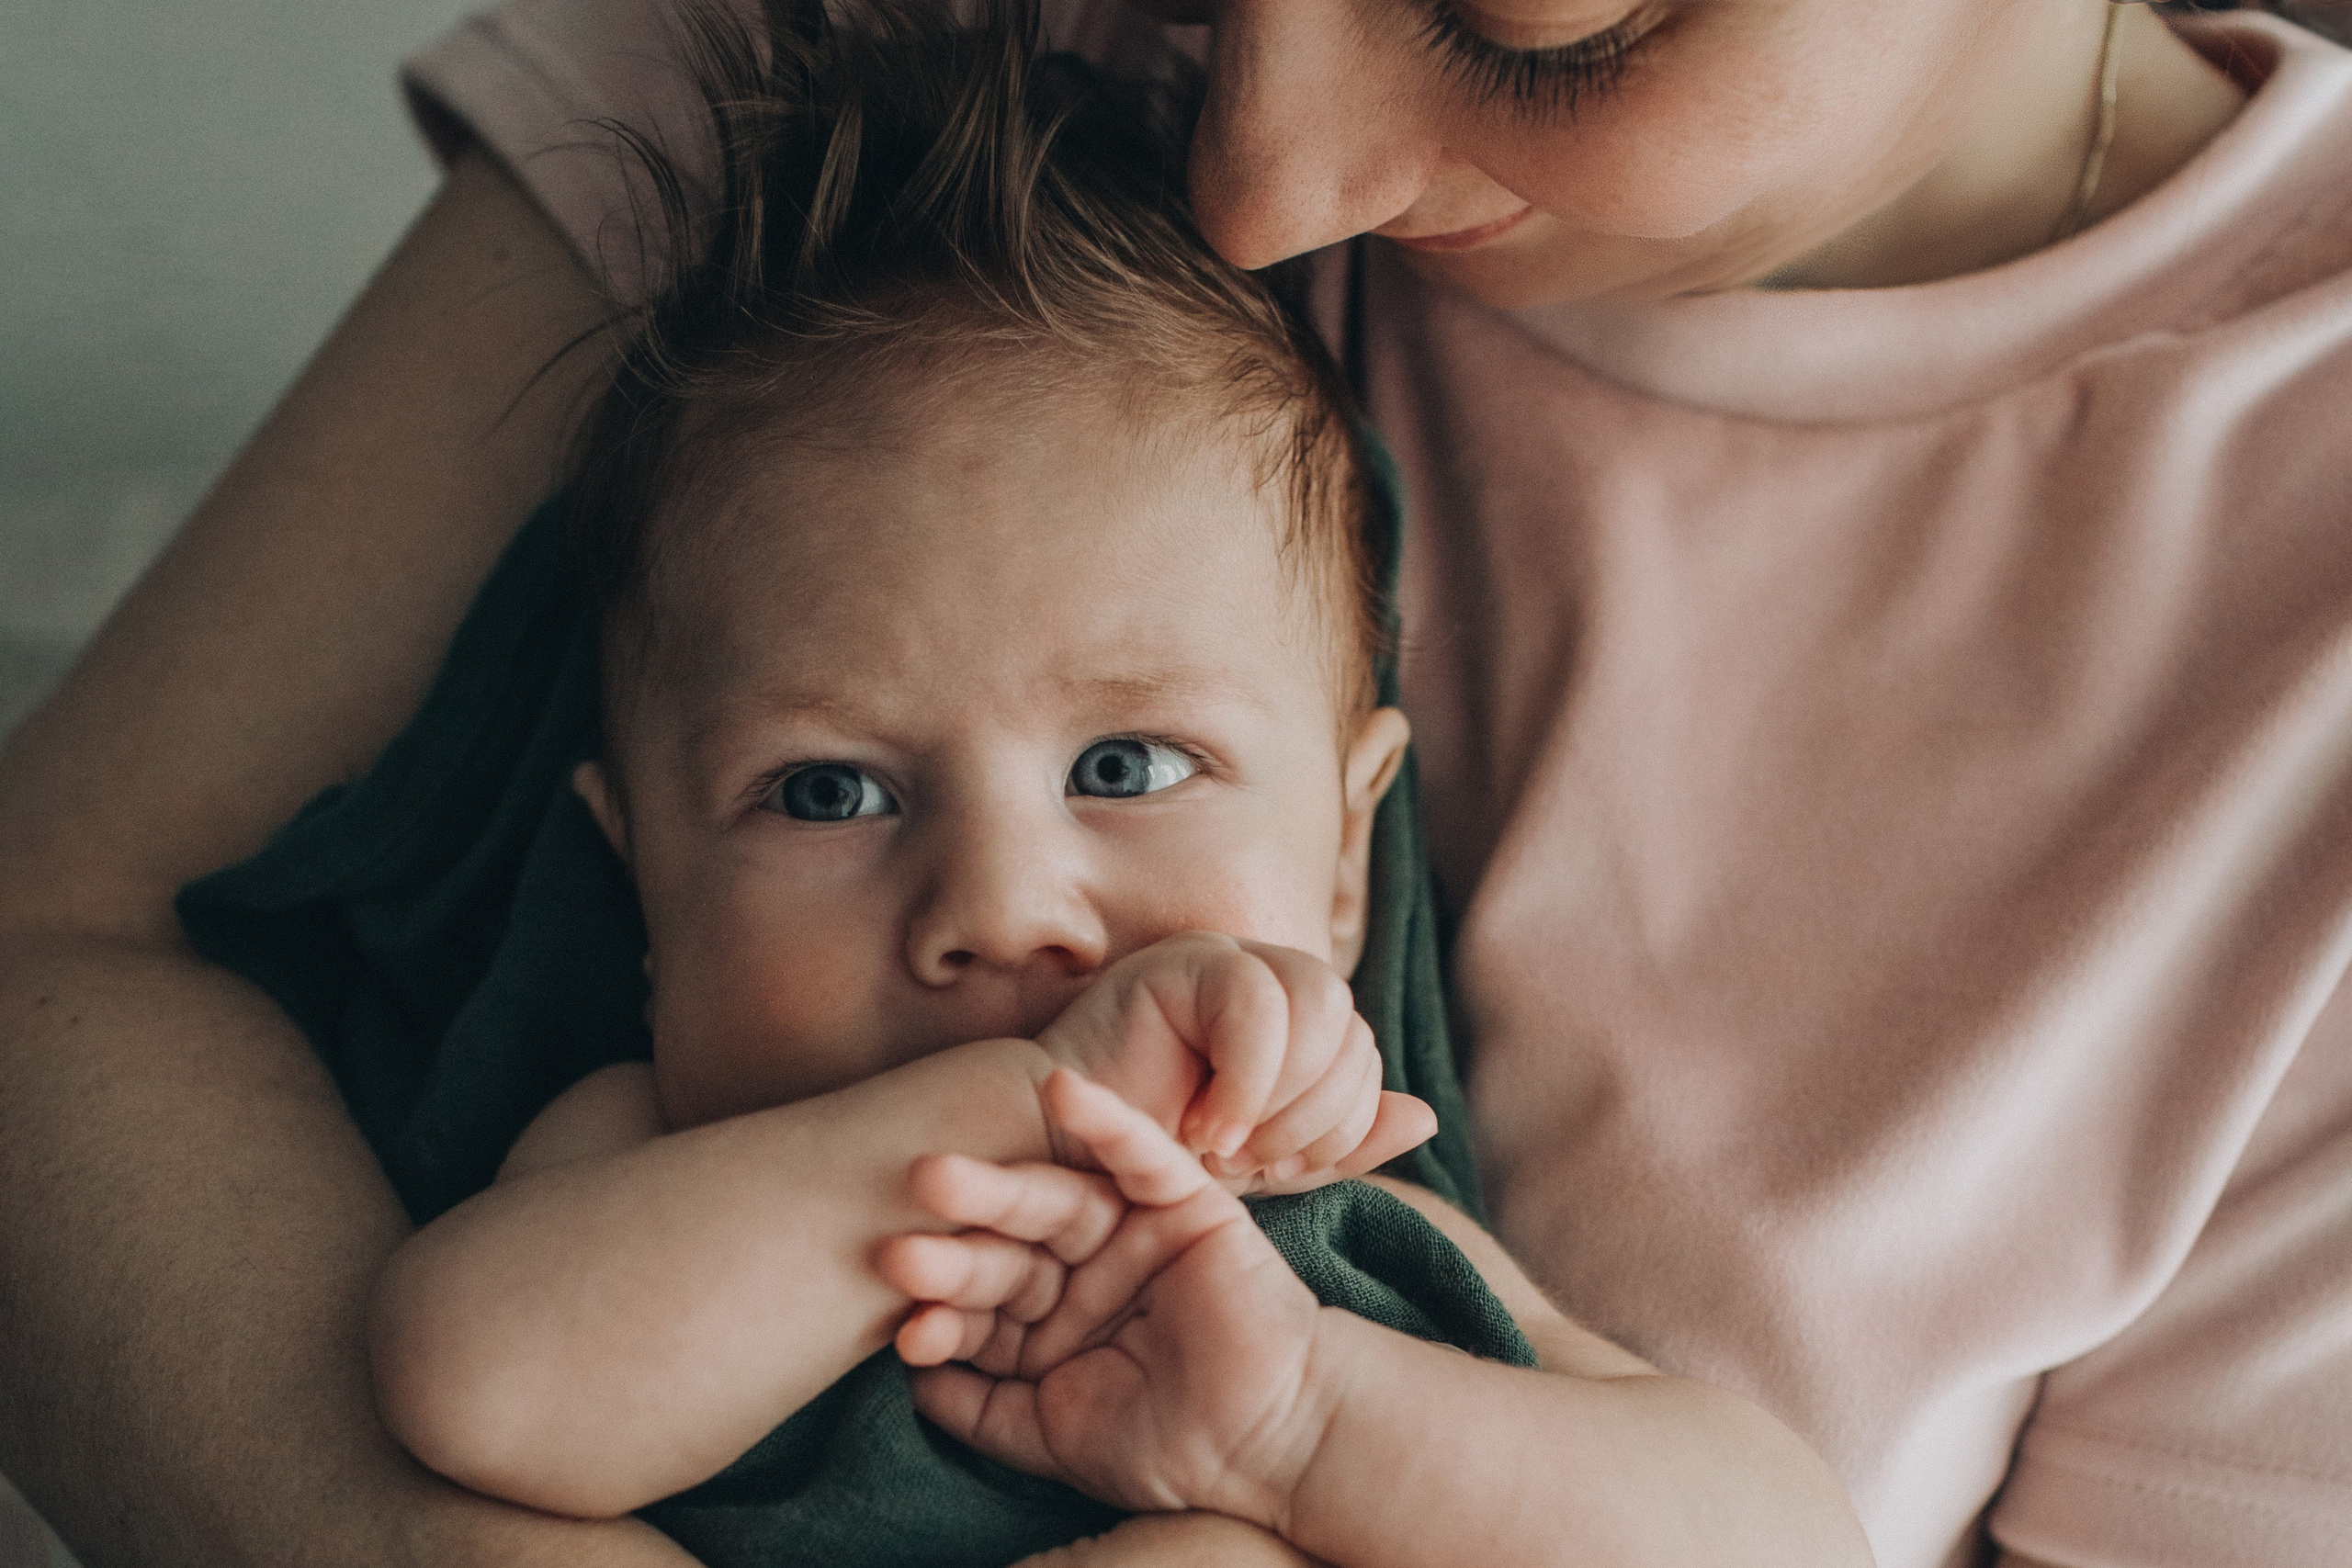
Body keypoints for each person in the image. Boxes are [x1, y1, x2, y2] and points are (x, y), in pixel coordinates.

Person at [2, 0, 2348, 1562]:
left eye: (1523, 23)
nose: (1253, 180)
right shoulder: (849, 131)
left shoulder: (1350, 1219)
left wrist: (1296, 1431)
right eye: (823, 791)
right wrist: (943, 1138)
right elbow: (411, 1305)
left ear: (1353, 830)